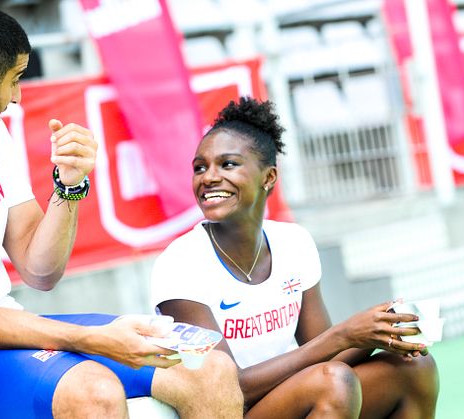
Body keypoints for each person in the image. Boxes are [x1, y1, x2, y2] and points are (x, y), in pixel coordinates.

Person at [0, 2, 243, 418]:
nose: (16, 98)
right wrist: (96, 339)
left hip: (0, 333)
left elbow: (40, 271)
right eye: (14, 81)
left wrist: (69, 185)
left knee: (208, 366)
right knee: (93, 392)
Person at [151, 97, 440, 418]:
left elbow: (324, 353)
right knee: (332, 382)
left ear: (269, 177)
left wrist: (377, 332)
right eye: (200, 167)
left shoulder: (294, 242)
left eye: (228, 164)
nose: (208, 177)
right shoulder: (180, 263)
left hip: (291, 398)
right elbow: (226, 389)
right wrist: (346, 334)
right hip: (227, 411)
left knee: (414, 367)